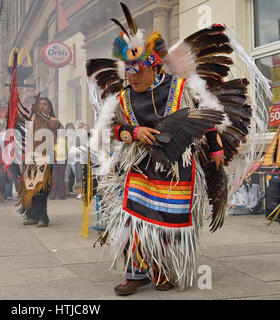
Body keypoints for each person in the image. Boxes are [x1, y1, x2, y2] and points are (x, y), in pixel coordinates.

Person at [86, 4, 269, 294]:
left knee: (169, 222)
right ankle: (136, 272)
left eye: (139, 71)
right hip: (138, 166)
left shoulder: (181, 87)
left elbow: (205, 120)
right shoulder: (122, 97)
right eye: (129, 71)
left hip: (176, 167)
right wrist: (132, 131)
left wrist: (216, 149)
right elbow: (108, 130)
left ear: (155, 66)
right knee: (131, 219)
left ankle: (161, 269)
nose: (132, 77)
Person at [19, 97, 61, 228]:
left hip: (45, 158)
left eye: (45, 104)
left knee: (41, 189)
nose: (42, 106)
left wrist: (37, 113)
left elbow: (52, 125)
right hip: (32, 157)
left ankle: (43, 218)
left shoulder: (54, 120)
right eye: (40, 104)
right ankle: (33, 216)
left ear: (49, 108)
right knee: (31, 188)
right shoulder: (33, 120)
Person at [49, 123, 67, 200]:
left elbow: (67, 149)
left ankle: (61, 193)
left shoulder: (65, 139)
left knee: (61, 177)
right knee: (55, 177)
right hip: (55, 160)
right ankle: (53, 193)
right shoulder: (54, 139)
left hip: (63, 160)